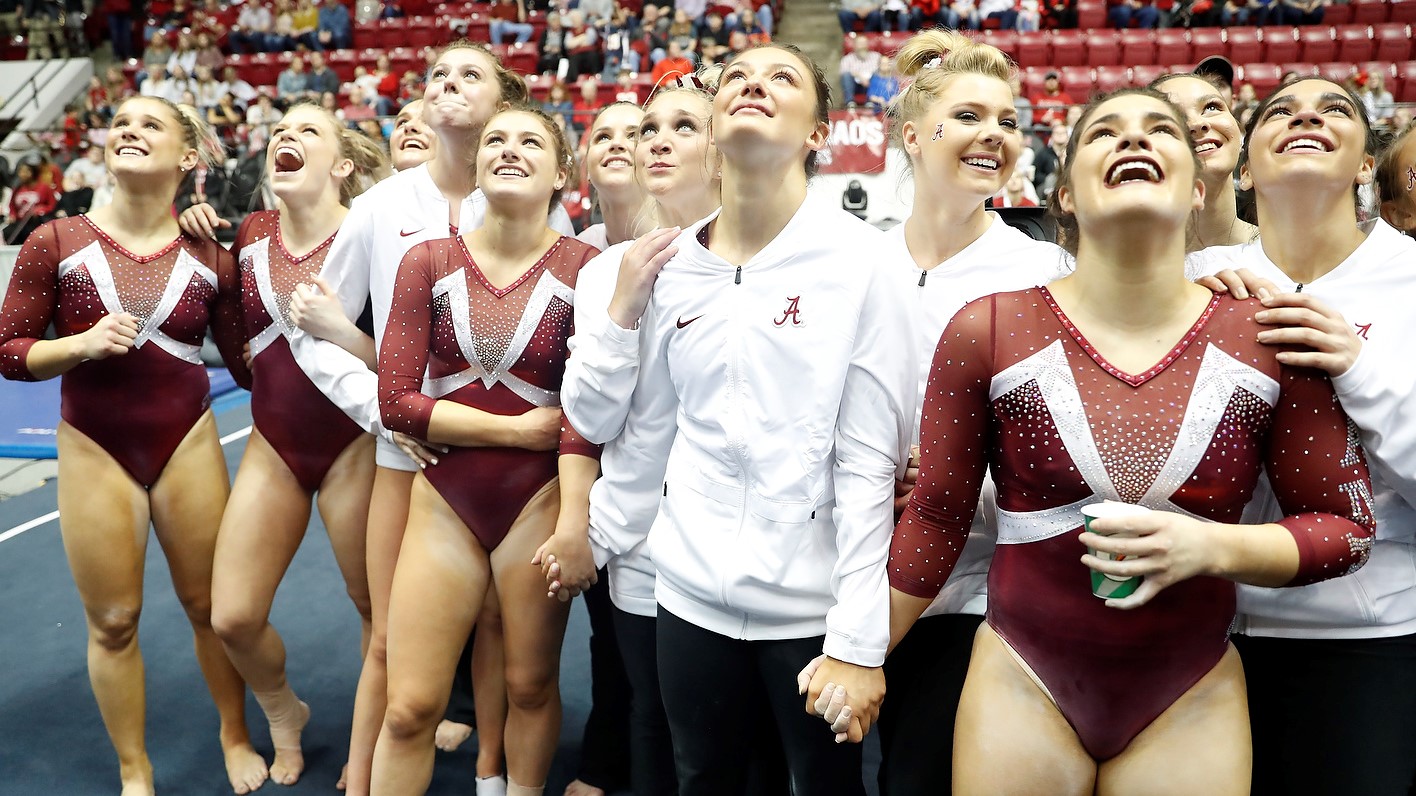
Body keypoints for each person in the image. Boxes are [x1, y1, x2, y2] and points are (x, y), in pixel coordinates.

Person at [884, 87, 1375, 795]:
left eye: (1159, 132)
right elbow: (935, 516)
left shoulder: (1270, 332)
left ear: (1198, 188)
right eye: (1105, 133)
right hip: (1020, 678)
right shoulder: (988, 328)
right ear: (1067, 197)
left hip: (1190, 694)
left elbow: (1349, 529)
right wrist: (858, 653)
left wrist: (1213, 548)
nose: (1134, 140)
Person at [563, 43, 917, 795]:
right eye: (738, 80)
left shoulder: (863, 262)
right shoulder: (667, 267)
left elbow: (866, 463)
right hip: (685, 593)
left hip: (809, 609)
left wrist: (858, 640)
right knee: (702, 779)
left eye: (781, 77)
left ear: (819, 133)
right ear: (717, 129)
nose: (754, 84)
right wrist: (619, 316)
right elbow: (599, 417)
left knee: (822, 787)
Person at [279, 41, 575, 796]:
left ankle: (490, 770)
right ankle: (358, 770)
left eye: (469, 73)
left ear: (508, 97)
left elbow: (577, 376)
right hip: (407, 455)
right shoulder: (383, 207)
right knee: (391, 652)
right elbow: (320, 331)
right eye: (436, 74)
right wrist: (387, 415)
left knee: (512, 656)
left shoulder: (556, 221)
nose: (447, 84)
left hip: (522, 481)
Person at [0, 95, 267, 796]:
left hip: (185, 440)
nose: (129, 129)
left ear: (188, 156)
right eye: (120, 122)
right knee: (114, 621)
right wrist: (77, 346)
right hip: (94, 445)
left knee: (209, 607)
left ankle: (234, 732)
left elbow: (248, 367)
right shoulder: (54, 241)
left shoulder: (210, 252)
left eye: (151, 123)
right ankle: (134, 768)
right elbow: (8, 350)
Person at [851, 30, 1070, 796]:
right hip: (843, 571)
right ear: (913, 135)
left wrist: (956, 489)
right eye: (970, 115)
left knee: (919, 776)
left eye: (1009, 122)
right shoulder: (858, 262)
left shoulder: (1042, 274)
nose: (995, 136)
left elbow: (1065, 442)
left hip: (972, 591)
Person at [1187, 78, 1416, 796]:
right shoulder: (1188, 285)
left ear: (1365, 168)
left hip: (1366, 642)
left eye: (1336, 109)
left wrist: (1360, 368)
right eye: (1280, 111)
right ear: (1246, 168)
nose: (1307, 115)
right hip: (1191, 638)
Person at [371, 103, 600, 796]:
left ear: (562, 171)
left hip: (539, 499)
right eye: (496, 139)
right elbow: (395, 402)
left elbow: (589, 412)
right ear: (473, 164)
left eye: (531, 141)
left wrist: (572, 516)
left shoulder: (588, 268)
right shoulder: (429, 259)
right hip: (445, 499)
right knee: (410, 706)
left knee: (529, 687)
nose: (509, 149)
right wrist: (516, 431)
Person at [186, 104, 388, 789]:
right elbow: (241, 338)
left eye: (308, 131)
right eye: (278, 131)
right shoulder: (250, 232)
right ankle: (282, 712)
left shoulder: (372, 234)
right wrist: (190, 231)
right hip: (275, 443)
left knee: (374, 612)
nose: (285, 138)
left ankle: (372, 743)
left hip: (354, 445)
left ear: (344, 165)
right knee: (233, 616)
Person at [563, 73, 725, 796]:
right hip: (640, 544)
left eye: (682, 126)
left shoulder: (771, 268)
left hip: (741, 546)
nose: (656, 138)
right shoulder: (602, 273)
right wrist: (625, 305)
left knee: (734, 738)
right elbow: (591, 421)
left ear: (724, 149)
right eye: (648, 126)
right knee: (652, 724)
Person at [561, 100, 648, 796]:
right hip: (590, 470)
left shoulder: (692, 242)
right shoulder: (575, 252)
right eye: (603, 135)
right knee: (610, 637)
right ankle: (606, 751)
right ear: (584, 162)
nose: (619, 144)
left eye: (637, 131)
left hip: (664, 487)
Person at [1152, 61, 1258, 251]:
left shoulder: (1292, 256)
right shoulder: (1114, 270)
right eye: (1173, 115)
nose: (1197, 123)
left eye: (1211, 107)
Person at [5, 161, 59, 245]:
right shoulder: (18, 188)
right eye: (20, 172)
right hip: (19, 222)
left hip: (35, 222)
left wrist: (41, 209)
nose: (22, 174)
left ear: (33, 172)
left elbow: (53, 205)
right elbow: (12, 205)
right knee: (7, 232)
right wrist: (12, 215)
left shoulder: (44, 187)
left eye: (25, 172)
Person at [839, 36, 880, 109]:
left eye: (864, 43)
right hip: (854, 86)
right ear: (854, 45)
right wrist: (860, 77)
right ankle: (850, 102)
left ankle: (871, 101)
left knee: (877, 74)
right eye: (860, 43)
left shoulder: (876, 56)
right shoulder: (847, 59)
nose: (862, 46)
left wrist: (868, 79)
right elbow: (843, 71)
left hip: (871, 84)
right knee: (846, 75)